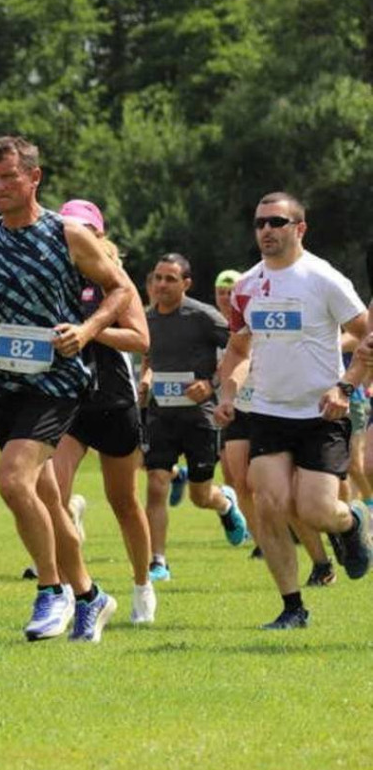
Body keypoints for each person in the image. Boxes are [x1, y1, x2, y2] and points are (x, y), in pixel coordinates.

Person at [0, 137, 134, 644]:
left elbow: (122, 290)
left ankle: (52, 590)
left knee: (13, 482)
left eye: (8, 178)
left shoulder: (66, 235)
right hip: (4, 383)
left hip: (58, 381)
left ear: (34, 178)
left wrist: (86, 332)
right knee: (45, 496)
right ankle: (91, 597)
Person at [218, 192, 372, 630]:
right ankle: (292, 608)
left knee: (316, 511)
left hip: (322, 413)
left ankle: (352, 520)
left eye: (276, 222)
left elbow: (365, 335)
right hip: (267, 411)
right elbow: (237, 347)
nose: (266, 230)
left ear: (299, 228)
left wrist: (346, 387)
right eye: (260, 223)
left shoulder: (323, 279)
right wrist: (228, 394)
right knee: (268, 503)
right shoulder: (246, 285)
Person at [42, 200, 156, 624]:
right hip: (67, 399)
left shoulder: (114, 280)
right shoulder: (53, 276)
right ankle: (73, 590)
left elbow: (141, 340)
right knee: (49, 492)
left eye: (86, 229)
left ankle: (143, 583)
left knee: (123, 500)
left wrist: (89, 331)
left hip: (112, 400)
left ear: (99, 235)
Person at [140, 252, 248, 607]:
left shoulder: (204, 317)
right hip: (160, 415)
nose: (161, 285)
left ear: (186, 284)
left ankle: (224, 504)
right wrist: (146, 378)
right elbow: (148, 356)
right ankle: (158, 561)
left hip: (199, 417)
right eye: (158, 278)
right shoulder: (145, 317)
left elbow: (239, 348)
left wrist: (212, 384)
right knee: (156, 484)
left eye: (170, 279)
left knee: (201, 496)